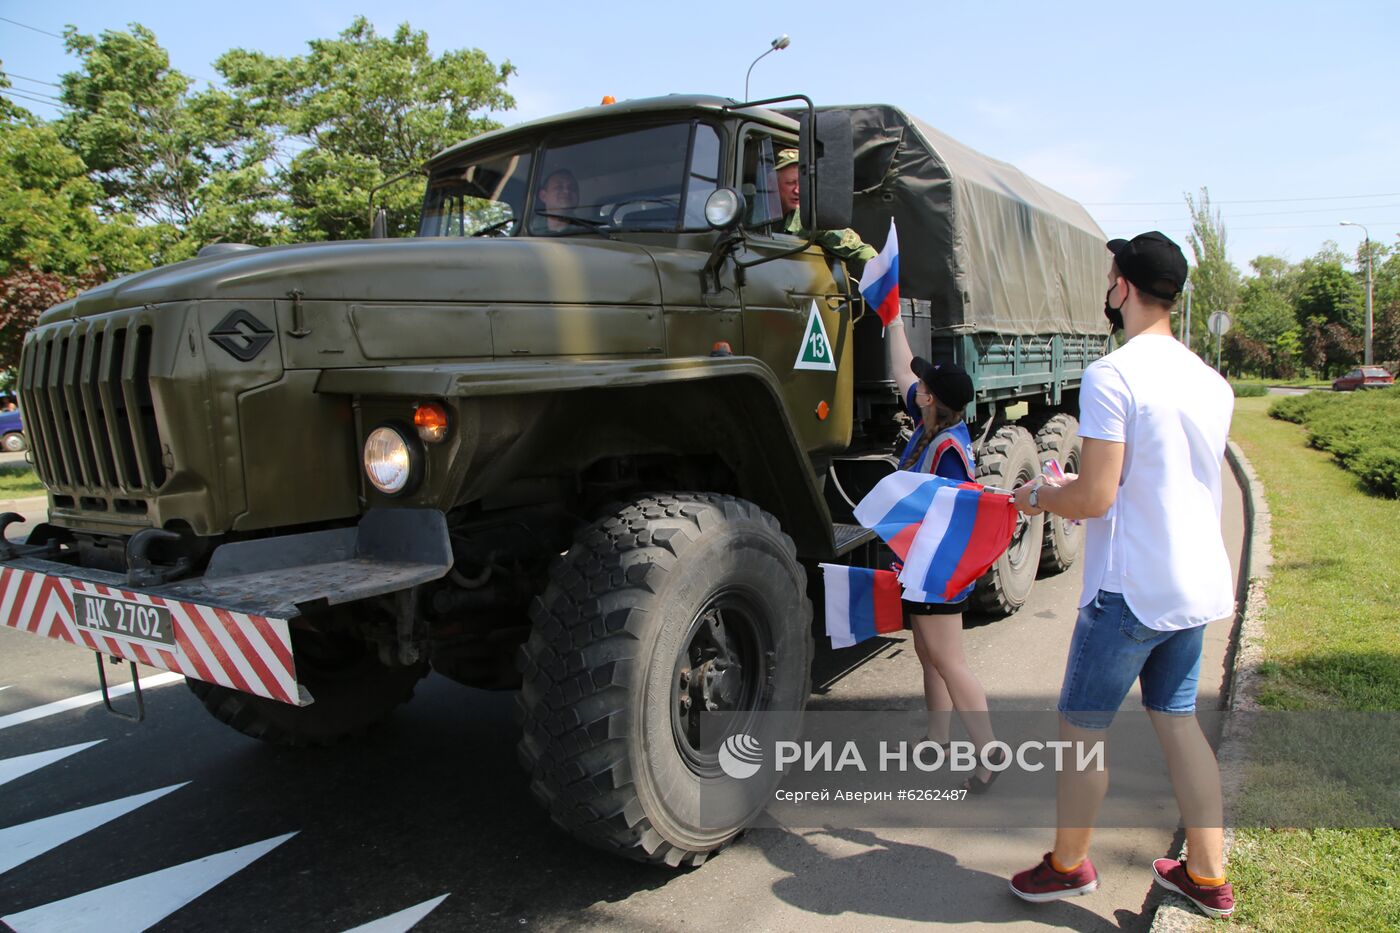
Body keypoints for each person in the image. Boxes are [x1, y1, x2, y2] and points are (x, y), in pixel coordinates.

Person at [1007, 231, 1237, 919]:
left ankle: (1067, 865)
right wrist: (1080, 481)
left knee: (1081, 734)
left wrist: (1041, 496)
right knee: (1178, 723)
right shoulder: (1209, 380)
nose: (1107, 288)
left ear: (1125, 288)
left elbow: (1097, 499)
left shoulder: (1113, 374)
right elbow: (1154, 476)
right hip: (1190, 585)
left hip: (1128, 592)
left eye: (1111, 277)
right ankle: (1205, 875)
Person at [885, 315, 1003, 793]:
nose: (917, 388)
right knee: (929, 654)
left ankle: (989, 754)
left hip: (938, 569)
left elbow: (957, 514)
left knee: (949, 660)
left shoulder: (950, 449)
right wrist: (893, 319)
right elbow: (902, 374)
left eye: (925, 385)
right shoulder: (932, 422)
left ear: (933, 398)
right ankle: (937, 739)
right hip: (921, 566)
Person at [774, 148, 876, 264]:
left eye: (802, 183)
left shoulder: (808, 217)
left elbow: (855, 247)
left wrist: (878, 266)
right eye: (790, 183)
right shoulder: (752, 212)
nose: (798, 190)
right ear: (774, 184)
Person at [535, 168, 580, 233]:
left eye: (572, 187)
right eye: (559, 187)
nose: (567, 191)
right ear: (543, 196)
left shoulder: (589, 232)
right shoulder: (526, 231)